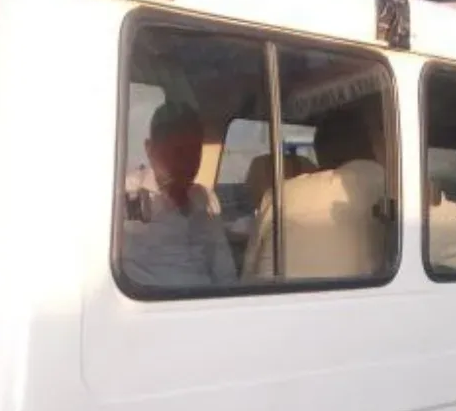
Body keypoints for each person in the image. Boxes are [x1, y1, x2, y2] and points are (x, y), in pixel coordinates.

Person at [242, 104, 388, 280]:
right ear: (370, 146)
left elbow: (248, 277)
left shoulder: (280, 196)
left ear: (322, 157)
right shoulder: (404, 191)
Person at [121, 101, 236, 288]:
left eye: (194, 152)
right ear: (150, 149)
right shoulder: (124, 197)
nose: (187, 163)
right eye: (178, 152)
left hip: (211, 306)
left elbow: (225, 273)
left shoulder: (206, 199)